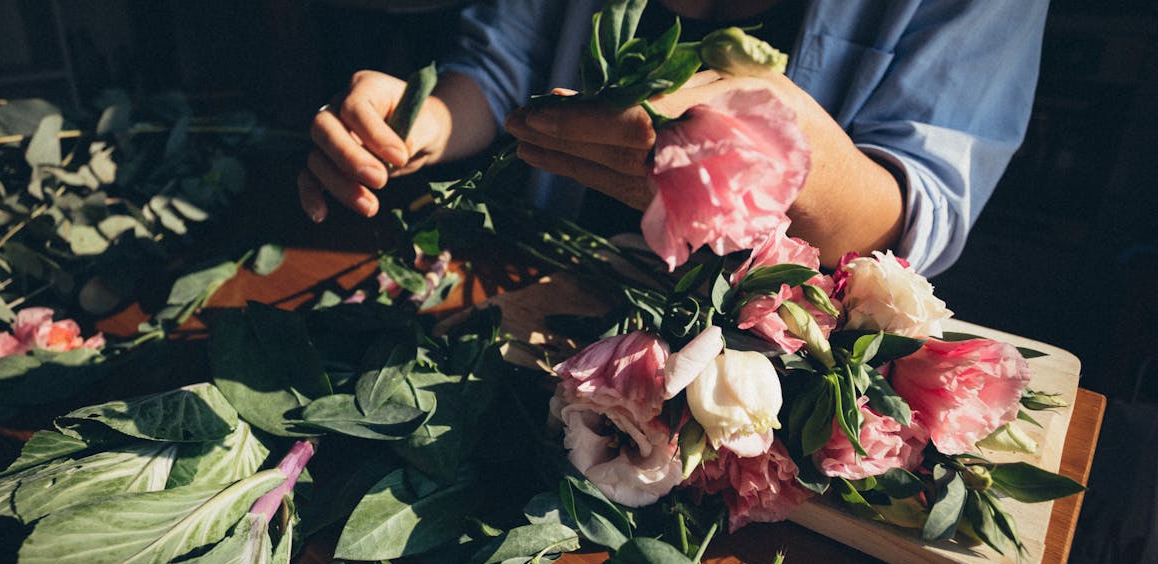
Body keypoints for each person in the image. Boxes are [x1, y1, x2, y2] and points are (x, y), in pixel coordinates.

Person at [298, 0, 1048, 277]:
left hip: (766, 375)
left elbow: (918, 211)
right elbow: (504, 64)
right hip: (541, 293)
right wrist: (418, 122)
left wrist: (790, 158)